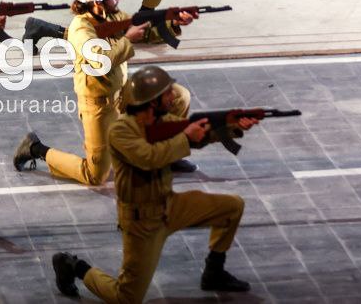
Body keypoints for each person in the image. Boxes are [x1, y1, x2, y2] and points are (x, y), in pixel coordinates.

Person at [50, 65, 253, 300]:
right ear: (152, 101)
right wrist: (186, 138)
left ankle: (214, 272)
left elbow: (198, 135)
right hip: (142, 222)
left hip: (170, 205)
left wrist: (232, 127)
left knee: (232, 207)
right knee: (127, 298)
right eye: (167, 93)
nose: (174, 96)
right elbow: (148, 158)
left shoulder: (162, 121)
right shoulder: (120, 131)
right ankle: (75, 267)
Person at [13, 0, 195, 186]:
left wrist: (173, 23)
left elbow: (144, 32)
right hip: (99, 105)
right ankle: (35, 148)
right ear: (97, 3)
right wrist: (127, 39)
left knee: (178, 97)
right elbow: (102, 61)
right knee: (95, 175)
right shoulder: (80, 29)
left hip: (125, 90)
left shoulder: (114, 17)